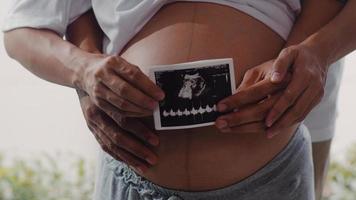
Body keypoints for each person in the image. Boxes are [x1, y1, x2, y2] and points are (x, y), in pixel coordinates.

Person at [3, 0, 355, 199]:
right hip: (132, 179)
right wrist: (83, 71)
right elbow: (23, 29)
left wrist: (318, 52)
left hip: (267, 179)